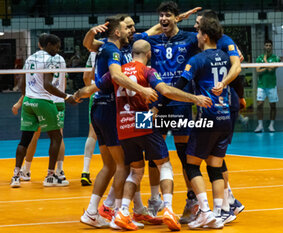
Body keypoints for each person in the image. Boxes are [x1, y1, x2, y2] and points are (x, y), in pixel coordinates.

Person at [112, 39, 212, 231]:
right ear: (149, 54)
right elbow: (165, 90)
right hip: (143, 120)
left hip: (122, 126)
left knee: (136, 171)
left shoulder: (118, 71)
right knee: (164, 165)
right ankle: (167, 209)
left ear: (132, 53)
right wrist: (195, 99)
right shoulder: (148, 71)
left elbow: (97, 86)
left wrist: (75, 96)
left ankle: (123, 212)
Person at [78, 16, 158, 228]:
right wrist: (143, 90)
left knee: (112, 165)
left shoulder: (123, 46)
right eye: (127, 27)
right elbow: (115, 75)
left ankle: (95, 211)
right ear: (117, 32)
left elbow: (153, 30)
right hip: (112, 108)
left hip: (103, 108)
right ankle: (115, 213)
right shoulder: (111, 49)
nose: (131, 30)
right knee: (125, 164)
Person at [176, 16, 238, 229]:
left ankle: (204, 211)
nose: (196, 35)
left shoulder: (197, 59)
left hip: (207, 118)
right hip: (225, 118)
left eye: (198, 32)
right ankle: (219, 214)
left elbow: (180, 84)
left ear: (205, 35)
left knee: (191, 164)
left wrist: (161, 98)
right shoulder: (224, 55)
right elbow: (236, 66)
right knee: (215, 167)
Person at [194, 9, 244, 220]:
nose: (195, 26)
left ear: (207, 26)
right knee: (213, 157)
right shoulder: (199, 43)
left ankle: (226, 205)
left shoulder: (225, 41)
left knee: (214, 157)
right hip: (210, 104)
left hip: (221, 105)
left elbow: (237, 66)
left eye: (198, 23)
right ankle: (230, 201)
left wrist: (227, 86)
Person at [10, 34, 77, 188]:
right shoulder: (50, 59)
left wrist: (24, 99)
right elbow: (48, 85)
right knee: (56, 137)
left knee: (25, 139)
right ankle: (51, 176)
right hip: (43, 101)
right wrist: (67, 97)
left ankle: (16, 175)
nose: (57, 50)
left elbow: (22, 84)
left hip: (28, 102)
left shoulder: (30, 58)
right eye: (56, 46)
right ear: (47, 45)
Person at [254, 39, 281, 133]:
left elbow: (272, 70)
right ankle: (260, 125)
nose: (268, 47)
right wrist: (267, 66)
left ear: (272, 47)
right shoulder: (259, 58)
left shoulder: (276, 58)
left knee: (273, 106)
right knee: (259, 105)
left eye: (270, 45)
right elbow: (257, 71)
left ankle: (271, 125)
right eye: (266, 45)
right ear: (264, 46)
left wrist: (264, 64)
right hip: (261, 85)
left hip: (272, 85)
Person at [81, 52, 97, 186]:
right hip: (113, 95)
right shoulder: (118, 49)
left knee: (92, 133)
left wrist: (91, 89)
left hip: (95, 94)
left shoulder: (93, 53)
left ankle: (85, 171)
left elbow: (86, 76)